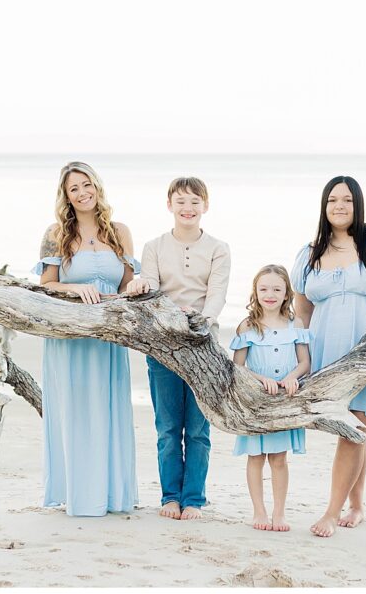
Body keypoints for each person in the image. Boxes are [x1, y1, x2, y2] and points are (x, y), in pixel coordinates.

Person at [291, 175, 366, 538]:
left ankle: (332, 512)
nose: (340, 207)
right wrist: (302, 358)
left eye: (347, 200)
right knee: (354, 430)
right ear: (324, 206)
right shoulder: (311, 251)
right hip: (328, 355)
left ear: (358, 204)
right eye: (332, 201)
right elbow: (303, 308)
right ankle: (357, 505)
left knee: (353, 429)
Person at [34, 161, 140, 516]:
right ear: (66, 197)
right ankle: (80, 496)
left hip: (109, 335)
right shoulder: (56, 233)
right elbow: (45, 285)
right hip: (71, 333)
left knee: (108, 409)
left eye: (86, 185)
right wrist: (76, 288)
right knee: (77, 410)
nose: (82, 193)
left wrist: (137, 287)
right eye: (73, 189)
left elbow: (127, 284)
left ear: (97, 186)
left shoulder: (120, 231)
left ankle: (111, 495)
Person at [124, 177, 230, 520]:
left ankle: (194, 500)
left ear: (205, 206)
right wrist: (142, 286)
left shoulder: (218, 248)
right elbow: (152, 285)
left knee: (198, 429)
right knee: (168, 428)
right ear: (169, 205)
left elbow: (217, 294)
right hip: (163, 345)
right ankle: (170, 497)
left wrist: (200, 318)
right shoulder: (154, 246)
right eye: (181, 201)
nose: (188, 208)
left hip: (204, 345)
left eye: (195, 202)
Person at [230, 265, 312, 532]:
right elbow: (238, 366)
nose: (270, 294)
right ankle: (259, 511)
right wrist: (260, 379)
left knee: (278, 458)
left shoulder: (295, 324)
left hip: (285, 399)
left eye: (277, 289)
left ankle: (279, 513)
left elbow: (304, 362)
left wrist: (292, 377)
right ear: (255, 291)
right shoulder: (247, 325)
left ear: (287, 293)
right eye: (264, 288)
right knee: (256, 457)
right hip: (257, 400)